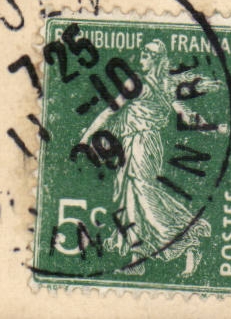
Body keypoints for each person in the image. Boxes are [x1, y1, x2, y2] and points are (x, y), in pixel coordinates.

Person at [84, 38, 218, 276]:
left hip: (142, 144)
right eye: (143, 54)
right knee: (132, 195)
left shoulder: (147, 84)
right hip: (134, 143)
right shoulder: (160, 85)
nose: (142, 59)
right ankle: (140, 256)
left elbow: (110, 110)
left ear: (156, 60)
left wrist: (86, 138)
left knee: (143, 195)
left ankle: (185, 240)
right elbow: (111, 110)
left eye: (146, 55)